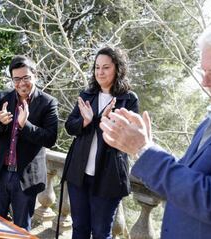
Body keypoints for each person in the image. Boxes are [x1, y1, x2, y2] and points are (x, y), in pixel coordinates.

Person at [100, 15, 211, 239]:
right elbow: (188, 181)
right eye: (203, 71)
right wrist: (149, 147)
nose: (205, 82)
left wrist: (143, 150)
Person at [63, 47, 139, 239]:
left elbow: (129, 138)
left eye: (106, 67)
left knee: (100, 232)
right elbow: (70, 127)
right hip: (79, 173)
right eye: (97, 67)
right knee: (79, 228)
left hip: (109, 176)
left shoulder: (128, 99)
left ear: (117, 69)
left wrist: (100, 122)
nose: (100, 72)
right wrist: (85, 121)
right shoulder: (87, 95)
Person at [0, 55, 58, 230]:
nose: (21, 83)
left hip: (25, 178)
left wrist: (26, 125)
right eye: (16, 79)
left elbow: (50, 138)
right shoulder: (2, 98)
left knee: (21, 230)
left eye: (26, 78)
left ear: (35, 76)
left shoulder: (48, 103)